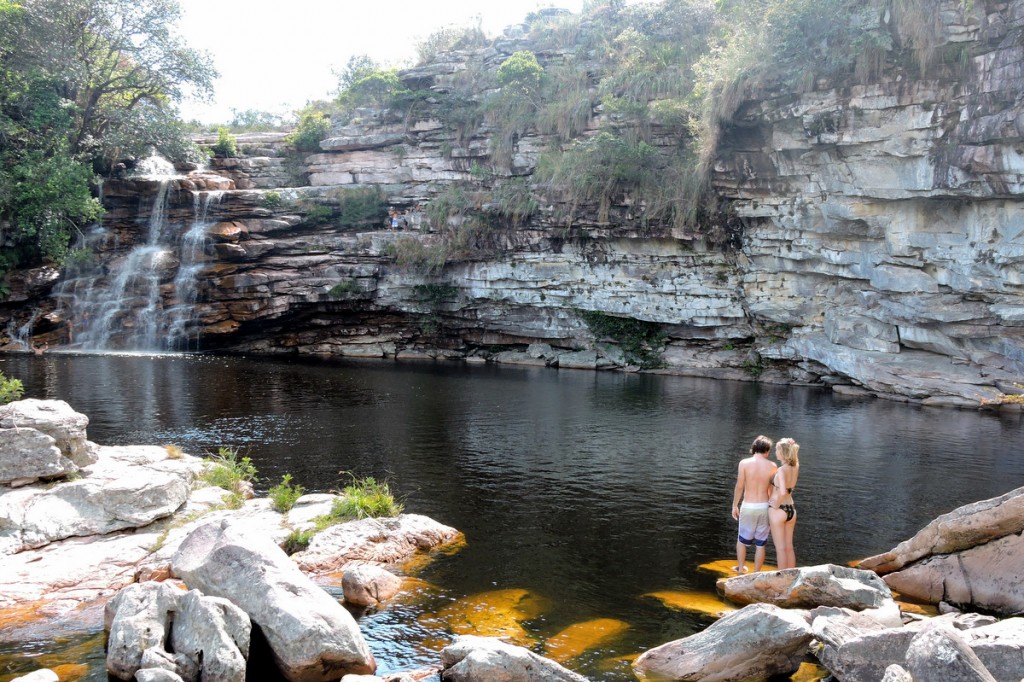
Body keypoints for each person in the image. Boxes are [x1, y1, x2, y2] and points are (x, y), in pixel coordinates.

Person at [731, 435, 777, 573]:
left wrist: (734, 505)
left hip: (748, 506)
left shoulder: (744, 463)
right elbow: (771, 491)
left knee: (742, 541)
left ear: (754, 448)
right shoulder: (772, 466)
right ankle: (756, 573)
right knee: (761, 545)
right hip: (764, 506)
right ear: (767, 450)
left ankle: (740, 569)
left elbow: (739, 486)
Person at [769, 437, 800, 570]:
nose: (775, 452)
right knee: (789, 546)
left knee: (780, 548)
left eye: (777, 449)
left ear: (783, 452)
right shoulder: (795, 466)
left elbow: (782, 491)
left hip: (779, 509)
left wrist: (776, 504)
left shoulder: (781, 470)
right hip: (791, 509)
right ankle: (791, 575)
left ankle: (781, 578)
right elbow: (788, 489)